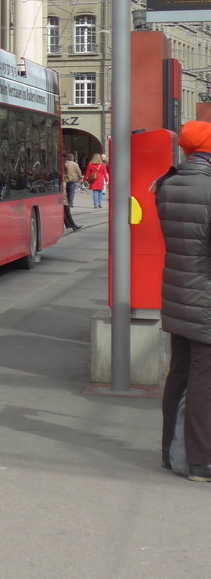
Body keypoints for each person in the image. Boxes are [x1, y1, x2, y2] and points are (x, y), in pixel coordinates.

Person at [154, 120, 211, 480]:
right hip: (205, 297)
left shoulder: (167, 184)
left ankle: (168, 451)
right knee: (204, 378)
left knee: (179, 373)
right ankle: (199, 460)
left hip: (175, 292)